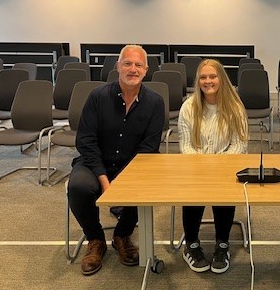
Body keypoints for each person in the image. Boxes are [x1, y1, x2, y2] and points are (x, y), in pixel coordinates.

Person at [68, 45, 164, 276]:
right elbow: (86, 140)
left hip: (133, 164)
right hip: (95, 162)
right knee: (79, 187)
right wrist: (105, 180)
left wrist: (123, 182)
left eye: (138, 65)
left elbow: (149, 147)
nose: (133, 69)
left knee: (144, 184)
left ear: (146, 70)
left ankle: (122, 234)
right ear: (118, 67)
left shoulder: (155, 102)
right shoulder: (98, 97)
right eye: (128, 63)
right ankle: (95, 239)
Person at [178, 59, 248, 274]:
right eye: (203, 77)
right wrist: (202, 168)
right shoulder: (189, 107)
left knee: (223, 192)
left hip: (225, 167)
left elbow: (239, 144)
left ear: (221, 79)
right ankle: (191, 244)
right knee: (193, 192)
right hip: (195, 167)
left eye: (212, 76)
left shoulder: (235, 107)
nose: (208, 81)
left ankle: (222, 245)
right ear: (198, 81)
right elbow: (185, 144)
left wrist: (218, 167)